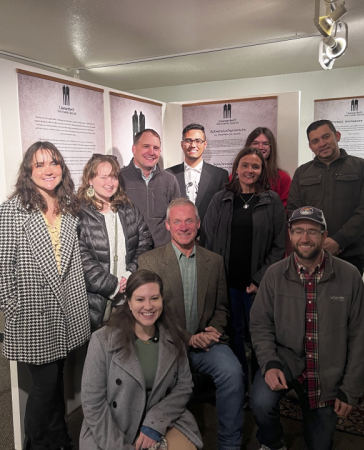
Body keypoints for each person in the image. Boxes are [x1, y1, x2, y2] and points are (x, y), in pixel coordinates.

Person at [0, 141, 90, 450]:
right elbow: (3, 267)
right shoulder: (13, 211)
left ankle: (59, 439)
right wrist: (15, 310)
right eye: (40, 165)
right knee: (44, 388)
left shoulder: (69, 205)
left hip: (67, 311)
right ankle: (35, 444)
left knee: (56, 381)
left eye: (54, 163)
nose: (48, 170)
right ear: (29, 171)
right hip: (34, 314)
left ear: (62, 168)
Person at [249, 206, 364, 450]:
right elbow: (260, 323)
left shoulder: (349, 276)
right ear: (290, 234)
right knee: (260, 402)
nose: (305, 238)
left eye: (313, 231)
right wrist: (269, 363)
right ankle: (273, 443)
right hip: (286, 358)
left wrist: (350, 390)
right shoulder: (274, 275)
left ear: (324, 235)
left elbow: (360, 337)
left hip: (327, 369)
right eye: (299, 231)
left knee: (320, 445)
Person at [139, 198, 244, 450]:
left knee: (233, 373)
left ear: (198, 224)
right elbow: (151, 314)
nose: (183, 227)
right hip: (167, 344)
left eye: (189, 221)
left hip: (206, 343)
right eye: (177, 221)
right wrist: (189, 338)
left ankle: (230, 443)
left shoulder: (214, 261)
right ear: (167, 225)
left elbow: (221, 308)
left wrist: (214, 331)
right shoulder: (149, 262)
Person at [80, 269, 203, 450]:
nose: (148, 306)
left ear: (162, 300)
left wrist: (154, 422)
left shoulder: (174, 337)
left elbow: (184, 387)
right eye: (140, 299)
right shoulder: (102, 340)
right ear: (129, 302)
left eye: (154, 298)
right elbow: (92, 403)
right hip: (111, 427)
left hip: (162, 419)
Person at [201, 146, 286, 389]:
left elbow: (279, 246)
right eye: (245, 165)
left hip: (257, 285)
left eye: (255, 166)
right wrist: (215, 280)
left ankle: (261, 384)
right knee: (233, 334)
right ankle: (239, 384)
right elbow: (207, 240)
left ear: (262, 170)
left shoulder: (272, 201)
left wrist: (260, 279)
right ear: (236, 169)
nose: (250, 170)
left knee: (260, 335)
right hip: (226, 283)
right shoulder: (220, 199)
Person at [287, 119, 364, 275]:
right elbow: (294, 210)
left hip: (350, 253)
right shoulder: (302, 172)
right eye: (315, 141)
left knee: (346, 298)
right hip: (310, 253)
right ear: (310, 146)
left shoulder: (362, 167)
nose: (322, 143)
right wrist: (311, 240)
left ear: (337, 136)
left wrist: (339, 241)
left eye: (326, 137)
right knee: (309, 299)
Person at [77, 154, 153, 330]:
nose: (109, 183)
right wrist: (113, 286)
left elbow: (145, 241)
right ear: (90, 179)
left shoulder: (128, 208)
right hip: (96, 303)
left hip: (129, 299)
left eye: (113, 177)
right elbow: (81, 258)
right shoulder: (79, 212)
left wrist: (130, 273)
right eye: (103, 177)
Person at [120, 129, 181, 248]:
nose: (151, 152)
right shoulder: (119, 179)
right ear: (134, 149)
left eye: (156, 148)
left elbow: (177, 219)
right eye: (146, 146)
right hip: (130, 252)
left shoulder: (170, 180)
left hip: (162, 253)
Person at [167, 123, 229, 222]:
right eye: (188, 141)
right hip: (177, 234)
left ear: (205, 145)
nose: (193, 145)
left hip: (208, 235)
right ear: (182, 144)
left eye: (198, 141)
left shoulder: (220, 175)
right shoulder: (168, 174)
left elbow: (224, 212)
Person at [244, 127, 292, 208]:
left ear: (271, 147)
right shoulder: (237, 176)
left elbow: (285, 210)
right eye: (255, 143)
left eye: (265, 143)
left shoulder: (283, 178)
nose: (260, 147)